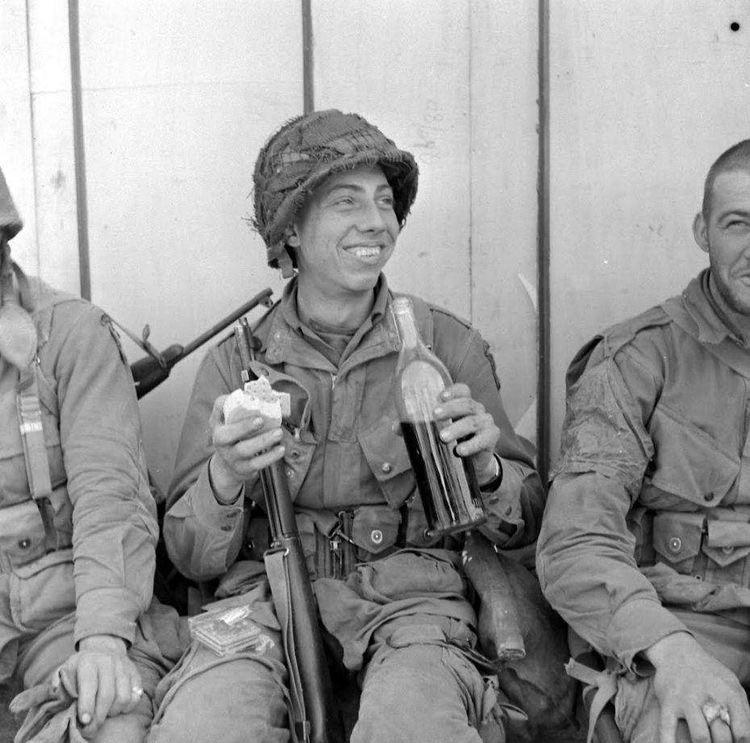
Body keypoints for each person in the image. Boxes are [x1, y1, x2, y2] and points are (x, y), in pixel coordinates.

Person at [148, 109, 555, 743]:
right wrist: (226, 477)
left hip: (412, 604)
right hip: (261, 604)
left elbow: (525, 518)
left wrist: (489, 468)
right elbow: (189, 556)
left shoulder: (446, 344)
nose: (376, 221)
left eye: (385, 202)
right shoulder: (237, 363)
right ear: (291, 233)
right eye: (346, 202)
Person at [537, 139, 750, 743]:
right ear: (702, 231)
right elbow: (575, 542)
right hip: (684, 624)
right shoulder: (636, 360)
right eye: (739, 224)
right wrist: (670, 650)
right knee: (688, 729)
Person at [0, 167, 182, 742]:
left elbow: (111, 498)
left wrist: (102, 639)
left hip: (65, 613)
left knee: (109, 724)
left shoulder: (70, 336)